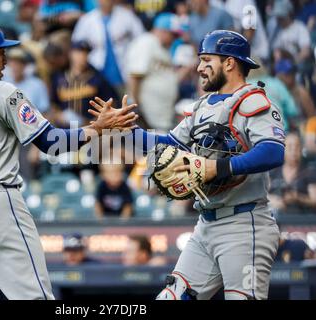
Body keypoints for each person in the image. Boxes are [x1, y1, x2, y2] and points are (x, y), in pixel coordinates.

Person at [0, 20, 137, 300]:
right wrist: (97, 128)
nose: (6, 59)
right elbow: (51, 143)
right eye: (1, 51)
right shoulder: (1, 91)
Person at [90, 30, 285, 300]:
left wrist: (217, 168)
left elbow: (273, 152)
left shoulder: (253, 100)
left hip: (244, 224)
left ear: (229, 63)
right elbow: (169, 144)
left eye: (207, 60)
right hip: (206, 224)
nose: (199, 67)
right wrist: (124, 129)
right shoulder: (202, 106)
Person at [71, 0, 144, 91]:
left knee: (125, 99)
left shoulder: (126, 15)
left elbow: (141, 38)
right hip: (96, 69)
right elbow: (76, 44)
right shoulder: (87, 19)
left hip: (124, 69)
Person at [126, 13, 179, 131]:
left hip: (160, 118)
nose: (175, 39)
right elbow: (135, 76)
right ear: (162, 30)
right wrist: (134, 107)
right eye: (173, 35)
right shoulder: (146, 42)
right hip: (147, 119)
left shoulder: (162, 47)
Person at [51, 40, 119, 126]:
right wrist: (58, 116)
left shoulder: (97, 78)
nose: (82, 56)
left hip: (91, 129)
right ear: (70, 54)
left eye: (85, 53)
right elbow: (53, 104)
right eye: (78, 53)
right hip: (65, 131)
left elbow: (111, 103)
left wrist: (96, 122)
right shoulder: (59, 78)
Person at [269, 131, 316, 214]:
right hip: (277, 220)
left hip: (303, 221)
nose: (293, 151)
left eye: (297, 147)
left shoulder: (309, 172)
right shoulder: (273, 171)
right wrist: (274, 200)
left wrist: (298, 197)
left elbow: (314, 200)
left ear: (301, 149)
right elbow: (262, 195)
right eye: (290, 147)